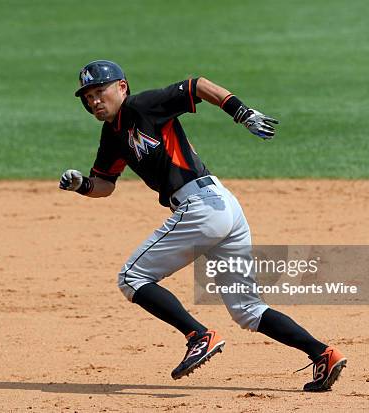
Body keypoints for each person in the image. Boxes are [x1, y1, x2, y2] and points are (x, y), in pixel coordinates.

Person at [59, 60, 347, 391]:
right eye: (88, 96)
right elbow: (104, 184)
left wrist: (242, 113)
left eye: (100, 91)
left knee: (131, 277)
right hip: (222, 209)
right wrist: (81, 184)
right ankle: (323, 353)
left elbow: (198, 86)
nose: (94, 100)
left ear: (121, 88)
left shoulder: (142, 105)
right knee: (248, 310)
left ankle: (198, 335)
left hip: (203, 207)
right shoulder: (112, 137)